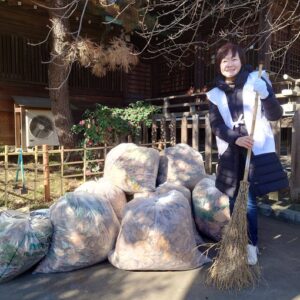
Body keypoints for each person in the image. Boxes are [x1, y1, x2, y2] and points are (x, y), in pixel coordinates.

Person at [206, 42, 289, 265]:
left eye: (234, 59)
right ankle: (238, 240)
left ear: (241, 61)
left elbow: (275, 115)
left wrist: (266, 96)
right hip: (232, 153)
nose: (229, 64)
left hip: (254, 151)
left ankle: (250, 245)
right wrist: (236, 138)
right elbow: (217, 125)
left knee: (248, 200)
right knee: (233, 200)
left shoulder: (256, 80)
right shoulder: (214, 94)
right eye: (224, 61)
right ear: (219, 65)